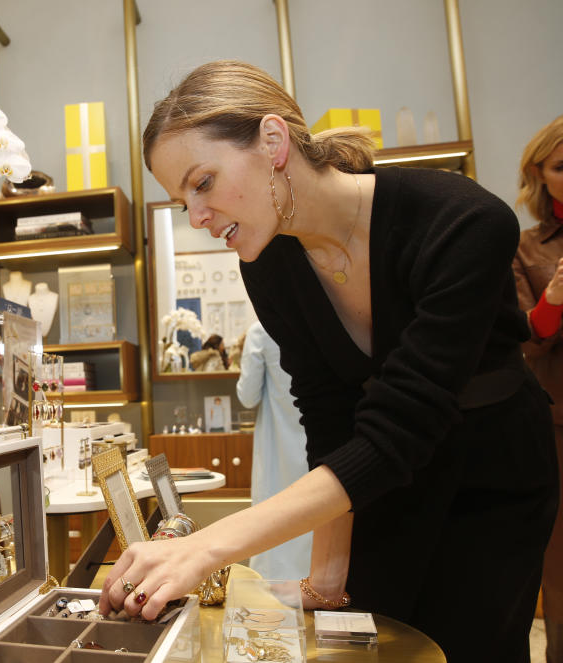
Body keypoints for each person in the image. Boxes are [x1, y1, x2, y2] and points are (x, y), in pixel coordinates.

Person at [98, 60, 557, 663]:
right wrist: (327, 579)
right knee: (378, 643)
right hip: (383, 485)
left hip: (492, 477)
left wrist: (206, 547)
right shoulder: (269, 266)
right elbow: (332, 419)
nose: (196, 216)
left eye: (202, 182)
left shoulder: (462, 219)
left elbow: (402, 425)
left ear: (273, 141)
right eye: (182, 199)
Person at [513, 114, 563, 663]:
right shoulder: (526, 247)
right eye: (561, 165)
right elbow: (528, 340)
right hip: (557, 426)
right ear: (539, 175)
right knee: (561, 567)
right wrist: (556, 293)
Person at [236, 320, 311, 581]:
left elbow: (248, 396)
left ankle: (270, 607)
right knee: (314, 519)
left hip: (276, 448)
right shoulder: (316, 321)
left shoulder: (261, 331)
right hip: (319, 444)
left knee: (273, 522)